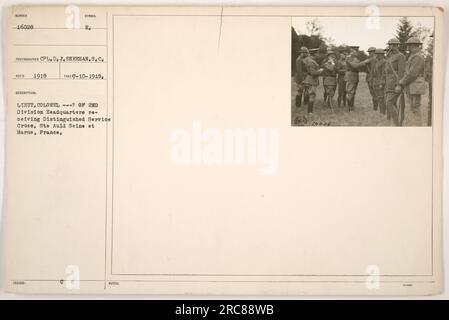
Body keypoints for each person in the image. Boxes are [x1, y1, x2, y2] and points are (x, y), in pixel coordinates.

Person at [398, 37, 426, 126]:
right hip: (412, 85)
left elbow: (412, 73)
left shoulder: (418, 57)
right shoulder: (413, 56)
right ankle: (414, 125)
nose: (407, 47)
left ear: (413, 45)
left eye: (408, 45)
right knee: (412, 107)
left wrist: (402, 82)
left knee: (415, 107)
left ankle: (417, 127)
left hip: (415, 85)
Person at [384, 38, 406, 126]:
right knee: (392, 103)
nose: (389, 47)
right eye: (389, 45)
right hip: (389, 83)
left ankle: (397, 124)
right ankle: (396, 122)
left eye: (390, 45)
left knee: (389, 103)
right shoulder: (390, 57)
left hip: (395, 83)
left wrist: (399, 85)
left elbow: (401, 72)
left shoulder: (400, 56)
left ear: (395, 46)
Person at [344, 45, 370, 111]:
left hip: (355, 75)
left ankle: (351, 107)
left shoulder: (355, 58)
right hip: (350, 75)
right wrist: (364, 62)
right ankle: (350, 108)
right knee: (350, 92)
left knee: (353, 92)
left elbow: (359, 66)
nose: (357, 52)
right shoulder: (349, 57)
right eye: (356, 51)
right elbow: (355, 66)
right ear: (352, 51)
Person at [302, 48, 324, 114]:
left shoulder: (310, 61)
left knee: (310, 95)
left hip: (309, 80)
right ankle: (310, 112)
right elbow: (313, 73)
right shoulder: (311, 62)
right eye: (318, 53)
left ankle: (309, 111)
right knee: (312, 95)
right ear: (315, 54)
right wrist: (320, 71)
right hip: (311, 80)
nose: (319, 55)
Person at [371, 48, 387, 115]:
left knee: (381, 98)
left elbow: (384, 73)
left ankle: (382, 112)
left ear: (381, 55)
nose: (376, 56)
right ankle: (381, 111)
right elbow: (374, 72)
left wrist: (382, 83)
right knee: (378, 97)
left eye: (377, 54)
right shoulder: (377, 62)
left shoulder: (384, 62)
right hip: (376, 82)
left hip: (380, 82)